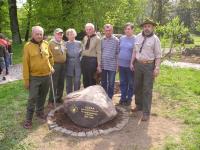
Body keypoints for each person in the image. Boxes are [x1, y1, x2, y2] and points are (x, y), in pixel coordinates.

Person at [130, 19, 162, 121]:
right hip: (138, 65)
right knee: (137, 86)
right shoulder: (138, 37)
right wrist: (132, 62)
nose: (146, 28)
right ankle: (139, 105)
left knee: (147, 89)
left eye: (149, 26)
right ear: (142, 27)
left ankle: (146, 112)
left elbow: (158, 55)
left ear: (152, 27)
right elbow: (135, 51)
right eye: (145, 26)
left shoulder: (155, 39)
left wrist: (157, 68)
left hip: (149, 66)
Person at [23, 26, 54, 129]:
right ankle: (28, 119)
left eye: (41, 34)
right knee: (32, 98)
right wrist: (27, 80)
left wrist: (51, 67)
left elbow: (50, 57)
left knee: (43, 95)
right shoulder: (28, 46)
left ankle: (40, 112)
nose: (39, 36)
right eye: (37, 34)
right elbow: (25, 64)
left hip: (46, 76)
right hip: (34, 77)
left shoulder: (46, 44)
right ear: (33, 34)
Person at [48, 28, 66, 108]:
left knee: (61, 83)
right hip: (55, 65)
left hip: (63, 65)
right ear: (54, 34)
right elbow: (47, 56)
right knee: (54, 83)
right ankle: (51, 100)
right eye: (58, 34)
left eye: (61, 34)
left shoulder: (63, 43)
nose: (60, 35)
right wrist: (50, 66)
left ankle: (59, 98)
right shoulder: (51, 43)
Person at [118, 23, 136, 106]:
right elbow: (119, 50)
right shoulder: (121, 38)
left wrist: (132, 63)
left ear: (132, 30)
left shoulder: (135, 39)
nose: (127, 30)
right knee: (123, 82)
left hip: (130, 65)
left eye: (129, 29)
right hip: (121, 65)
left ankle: (129, 99)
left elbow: (135, 52)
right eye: (126, 29)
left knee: (131, 83)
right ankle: (123, 98)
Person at [101, 24, 119, 99]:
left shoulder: (116, 40)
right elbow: (100, 52)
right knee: (104, 82)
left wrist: (118, 65)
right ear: (104, 31)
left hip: (112, 65)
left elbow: (118, 53)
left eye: (109, 30)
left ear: (112, 30)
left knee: (111, 83)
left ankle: (110, 97)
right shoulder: (102, 40)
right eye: (106, 30)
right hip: (103, 65)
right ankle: (104, 97)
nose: (108, 32)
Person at [81, 23, 101, 88]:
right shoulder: (85, 37)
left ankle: (92, 96)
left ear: (93, 30)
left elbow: (99, 52)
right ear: (85, 30)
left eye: (90, 29)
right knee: (85, 78)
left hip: (92, 61)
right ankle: (86, 94)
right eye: (87, 29)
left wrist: (99, 65)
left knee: (91, 79)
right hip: (84, 60)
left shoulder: (97, 39)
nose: (88, 31)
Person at [65, 28, 82, 94]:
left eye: (72, 34)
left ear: (75, 35)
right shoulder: (65, 44)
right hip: (69, 64)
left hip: (77, 64)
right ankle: (69, 96)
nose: (71, 36)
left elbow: (82, 53)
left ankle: (76, 95)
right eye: (70, 34)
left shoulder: (79, 43)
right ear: (67, 36)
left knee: (77, 81)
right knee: (69, 82)